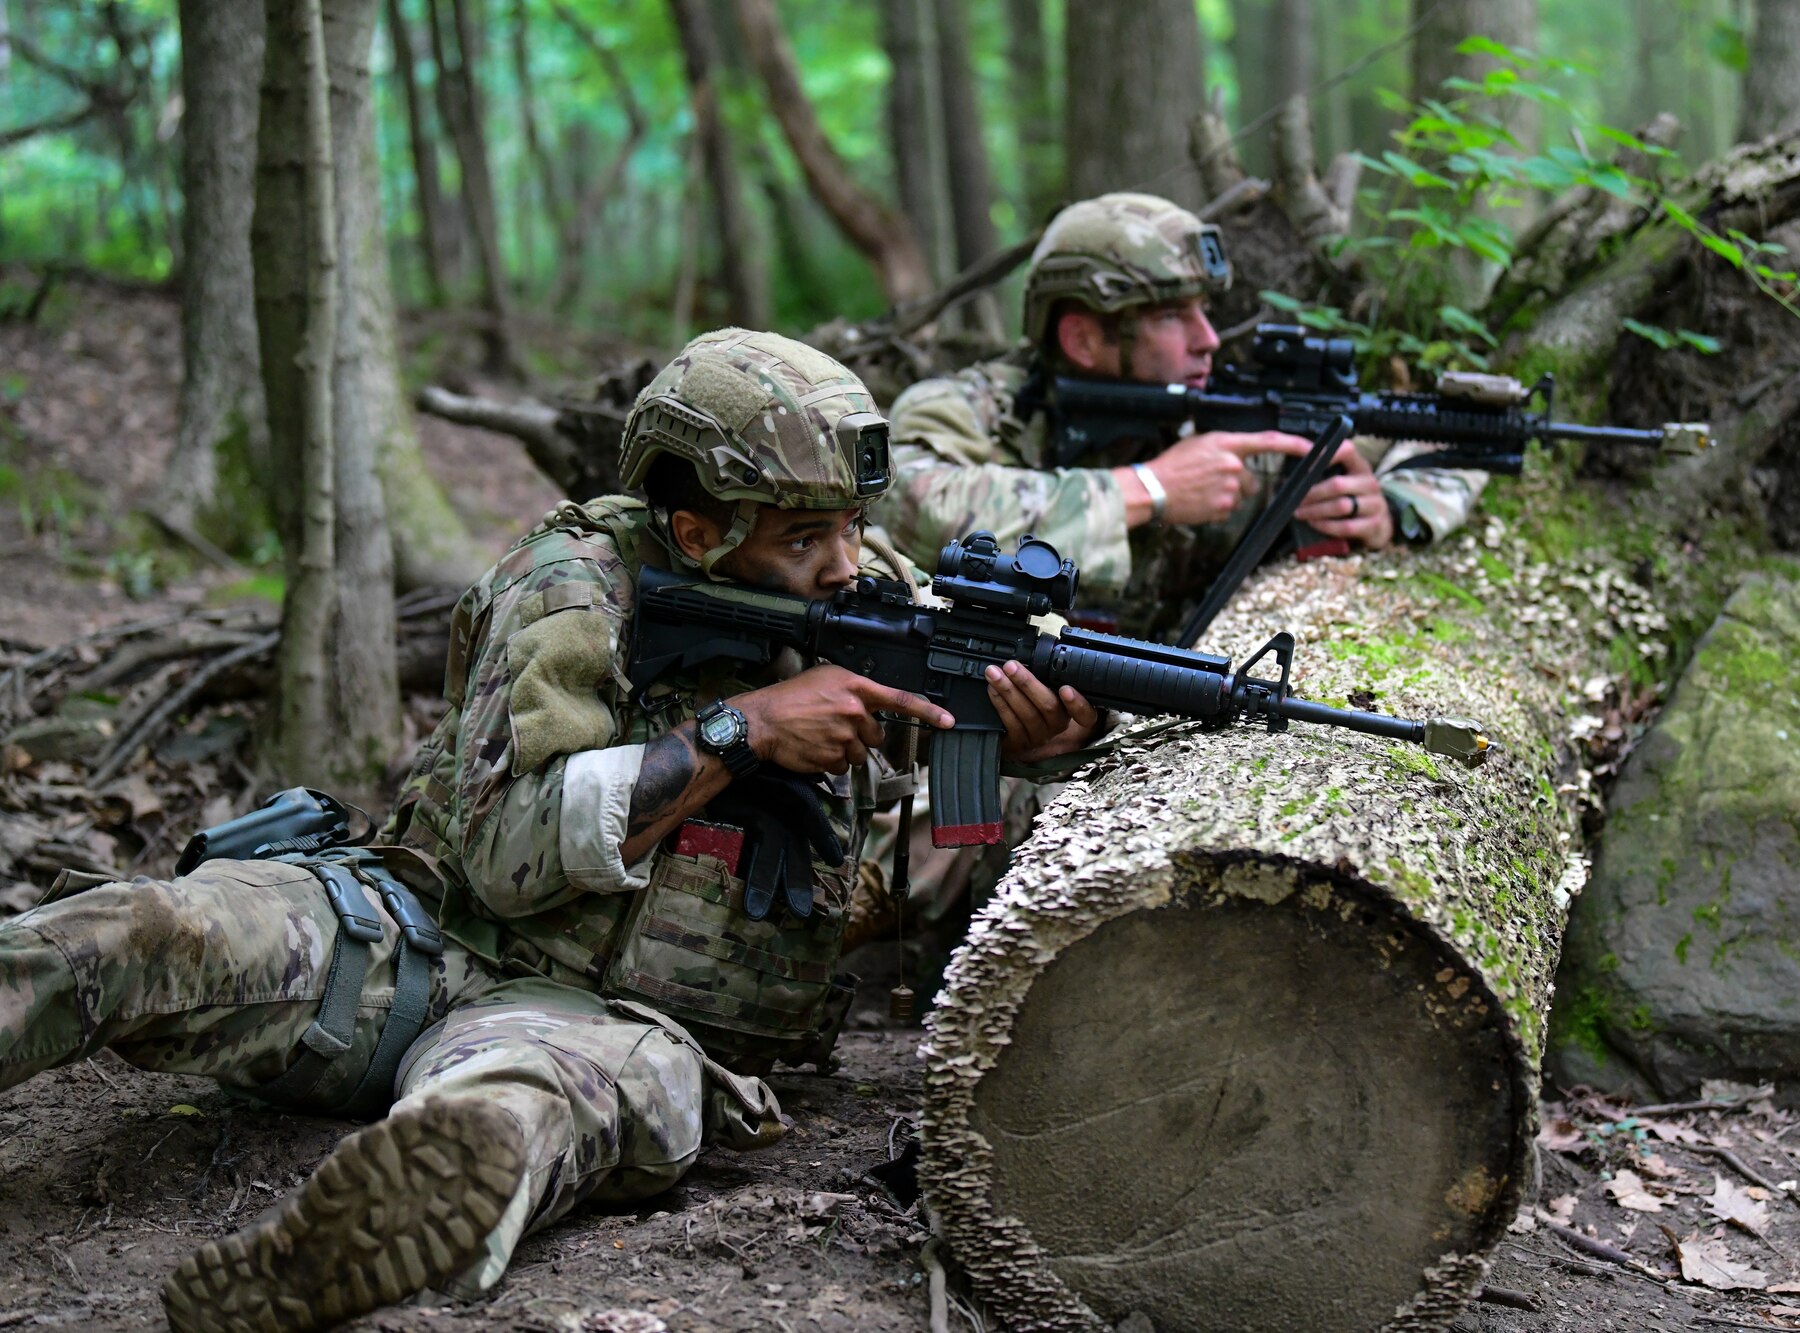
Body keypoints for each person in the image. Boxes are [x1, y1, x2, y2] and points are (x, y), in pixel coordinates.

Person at [0, 329, 1095, 1333]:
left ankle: (363, 1230)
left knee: (513, 1111)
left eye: (855, 525)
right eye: (806, 535)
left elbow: (933, 822)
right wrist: (738, 732)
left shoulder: (880, 604)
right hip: (418, 928)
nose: (849, 562)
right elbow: (509, 857)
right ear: (695, 527)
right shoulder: (573, 584)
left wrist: (1026, 742)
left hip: (624, 1025)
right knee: (142, 926)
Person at [875, 190, 1488, 643]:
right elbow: (917, 504)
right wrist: (1152, 489)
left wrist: (1388, 512)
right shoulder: (970, 411)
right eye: (1173, 316)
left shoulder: (1219, 420)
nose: (1209, 339)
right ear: (1083, 338)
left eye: (1204, 310)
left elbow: (1448, 445)